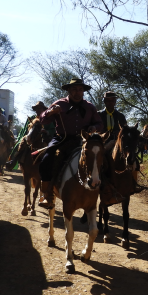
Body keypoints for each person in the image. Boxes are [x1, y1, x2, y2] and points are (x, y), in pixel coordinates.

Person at [37, 78, 104, 209]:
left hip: (83, 141)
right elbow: (42, 119)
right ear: (68, 90)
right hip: (62, 139)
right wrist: (50, 112)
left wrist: (94, 128)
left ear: (83, 91)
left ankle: (106, 191)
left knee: (102, 159)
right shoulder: (59, 104)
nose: (77, 92)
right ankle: (47, 194)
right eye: (74, 89)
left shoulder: (90, 106)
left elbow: (99, 123)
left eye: (80, 90)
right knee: (47, 159)